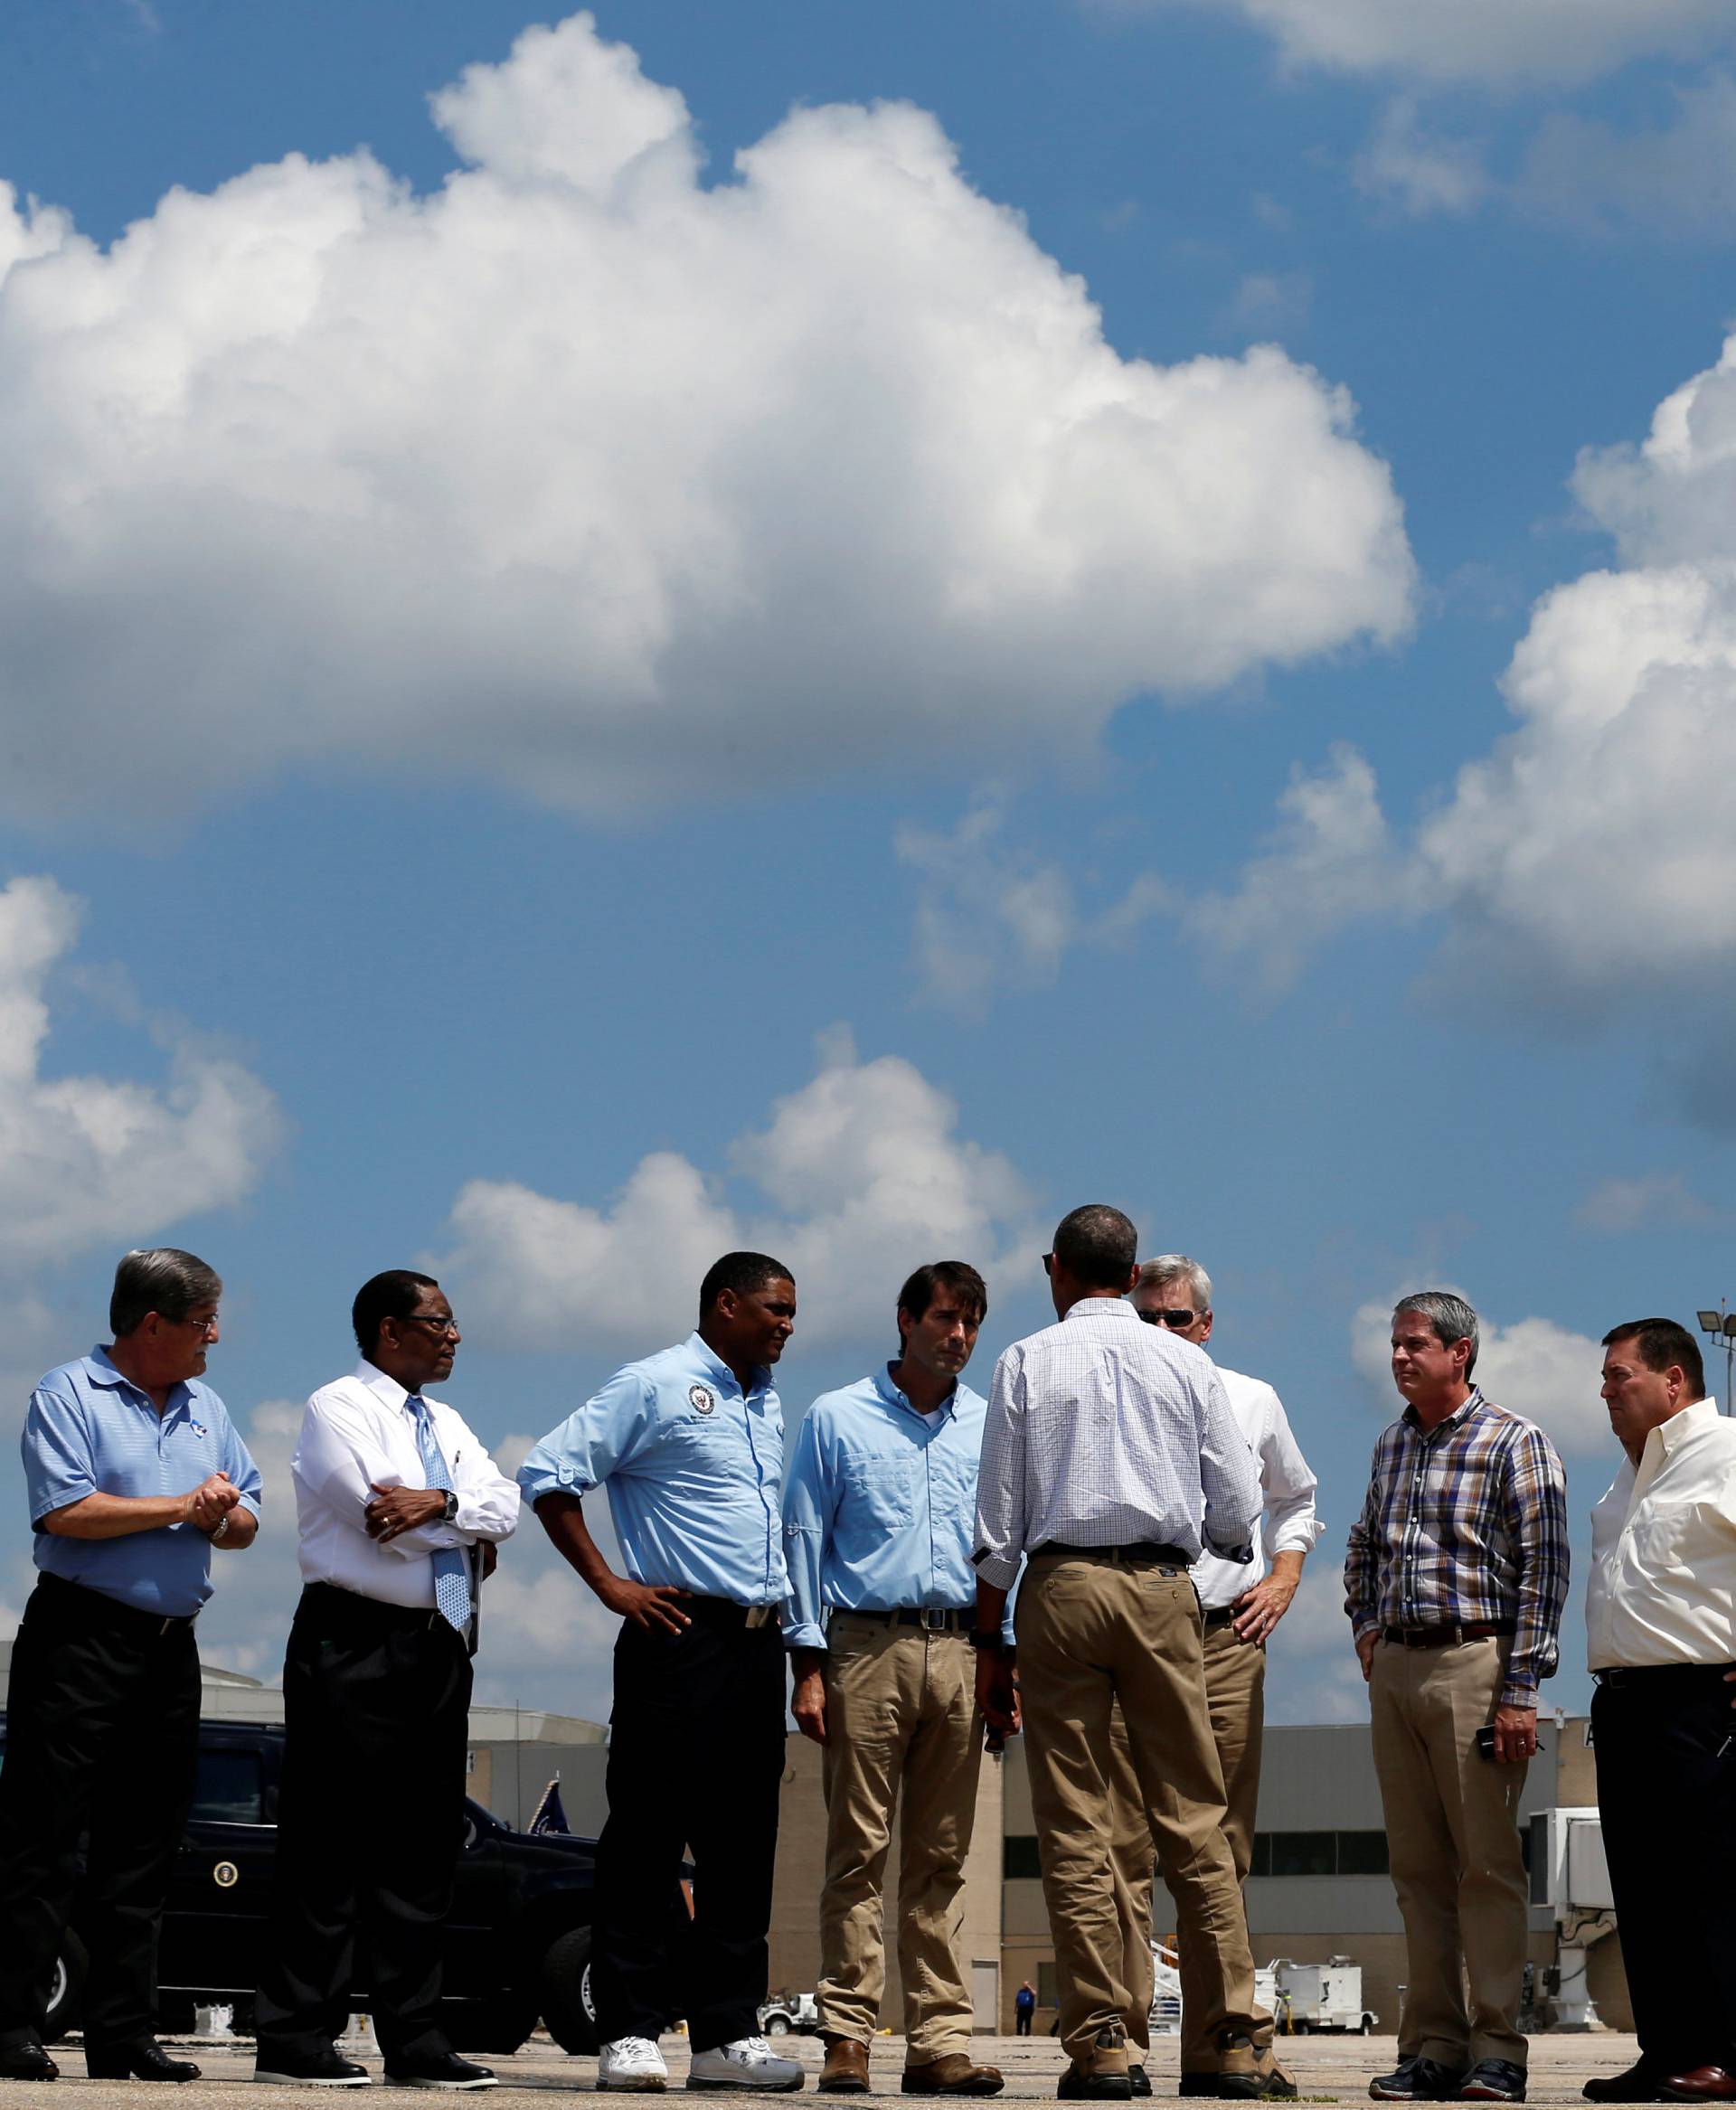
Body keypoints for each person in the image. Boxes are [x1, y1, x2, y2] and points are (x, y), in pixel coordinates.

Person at [972, 1206, 1287, 2105]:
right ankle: (1229, 2039)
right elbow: (1237, 1508)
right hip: (1160, 1587)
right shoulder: (1186, 1361)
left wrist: (994, 1642)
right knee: (1194, 1812)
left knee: (1078, 1826)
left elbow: (997, 1528)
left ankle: (1106, 2040)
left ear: (1056, 1269)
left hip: (1061, 1588)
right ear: (1131, 1270)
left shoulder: (1025, 1360)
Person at [519, 1253, 804, 2095]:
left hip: (759, 1644)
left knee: (742, 1847)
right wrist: (610, 1584)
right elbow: (549, 1473)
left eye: (793, 1311)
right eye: (774, 1309)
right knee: (646, 1839)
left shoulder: (765, 1398)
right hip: (676, 1633)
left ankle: (725, 2034)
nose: (788, 1324)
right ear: (725, 1304)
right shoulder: (654, 1384)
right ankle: (631, 2028)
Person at [0, 1248, 260, 2084]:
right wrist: (187, 1506)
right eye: (201, 1322)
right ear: (153, 1324)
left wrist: (223, 1518)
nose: (213, 1335)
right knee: (45, 1839)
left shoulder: (207, 1406)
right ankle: (8, 2025)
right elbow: (67, 1511)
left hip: (167, 1648)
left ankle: (124, 2033)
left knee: (144, 1844)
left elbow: (248, 1514)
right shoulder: (66, 1393)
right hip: (78, 1638)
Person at [254, 1270, 519, 2090]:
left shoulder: (446, 1421)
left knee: (421, 1848)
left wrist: (441, 1504)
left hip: (439, 1643)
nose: (454, 1335)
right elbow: (382, 1522)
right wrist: (459, 1528)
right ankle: (297, 2038)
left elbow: (505, 1503)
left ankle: (416, 2038)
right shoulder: (337, 1406)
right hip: (351, 1638)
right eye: (438, 1322)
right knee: (328, 1843)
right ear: (387, 1330)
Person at [782, 1262, 1005, 2099]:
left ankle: (939, 2041)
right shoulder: (836, 1418)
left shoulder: (990, 1425)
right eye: (946, 1318)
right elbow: (802, 1538)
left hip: (960, 1649)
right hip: (864, 1647)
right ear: (905, 1318)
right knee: (857, 1850)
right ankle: (847, 2035)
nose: (959, 1337)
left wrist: (1001, 1654)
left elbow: (1001, 1551)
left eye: (972, 1324)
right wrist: (807, 1664)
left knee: (944, 1856)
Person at [1345, 1292, 1569, 2108]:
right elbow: (1362, 1544)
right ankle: (1432, 2047)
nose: (1400, 1357)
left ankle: (1498, 2049)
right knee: (1417, 1871)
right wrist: (1367, 1629)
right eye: (1394, 1343)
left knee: (1486, 1866)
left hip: (1477, 1661)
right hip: (1397, 1668)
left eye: (1415, 1344)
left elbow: (1545, 1571)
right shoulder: (1390, 1444)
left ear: (1460, 1353)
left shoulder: (1517, 1442)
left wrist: (1521, 1691)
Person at [1110, 1256, 1325, 2096]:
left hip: (1225, 1636)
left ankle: (1219, 2043)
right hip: (1135, 1634)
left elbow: (1297, 1496)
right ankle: (1119, 2045)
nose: (1165, 1332)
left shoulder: (1252, 1397)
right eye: (1149, 1318)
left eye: (1179, 1319)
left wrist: (1285, 1576)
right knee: (1123, 1845)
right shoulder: (1112, 1396)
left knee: (1221, 1848)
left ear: (1206, 1325)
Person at [1582, 1318, 1736, 2105]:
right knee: (1644, 1892)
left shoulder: (1729, 1453)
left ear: (1673, 1381)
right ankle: (1667, 2050)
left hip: (1705, 1704)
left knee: (1713, 1885)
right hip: (1625, 1704)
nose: (1605, 1391)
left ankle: (1727, 2053)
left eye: (1619, 1376)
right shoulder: (1622, 1478)